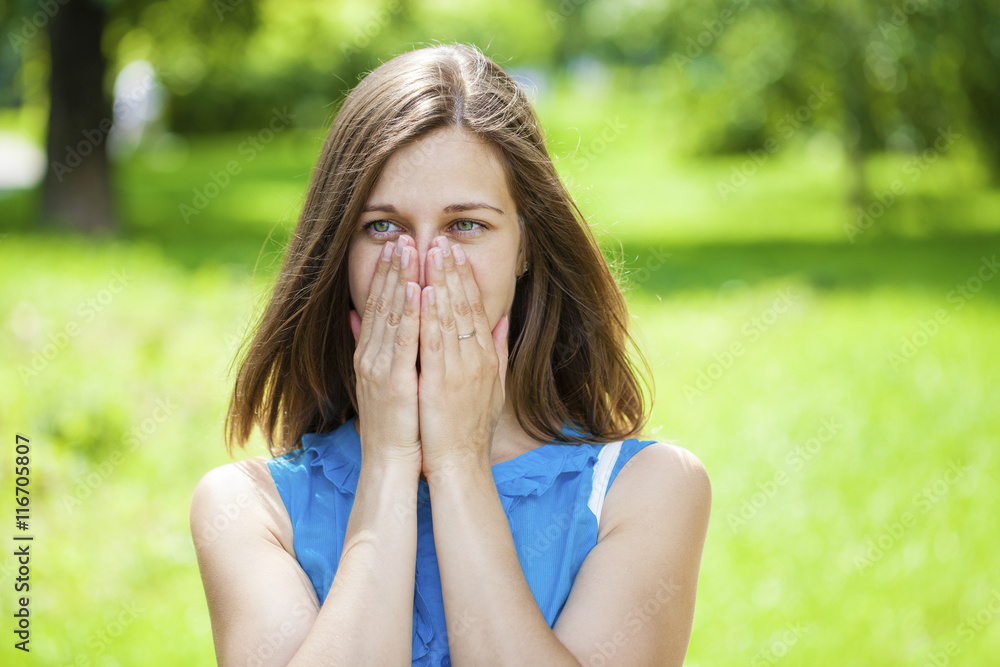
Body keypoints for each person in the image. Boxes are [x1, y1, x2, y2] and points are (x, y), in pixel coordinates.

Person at [189, 43, 711, 666]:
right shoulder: (246, 507)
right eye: (382, 226)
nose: (423, 266)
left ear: (526, 247)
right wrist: (389, 462)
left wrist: (460, 462)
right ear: (338, 251)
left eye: (466, 225)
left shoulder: (648, 491)